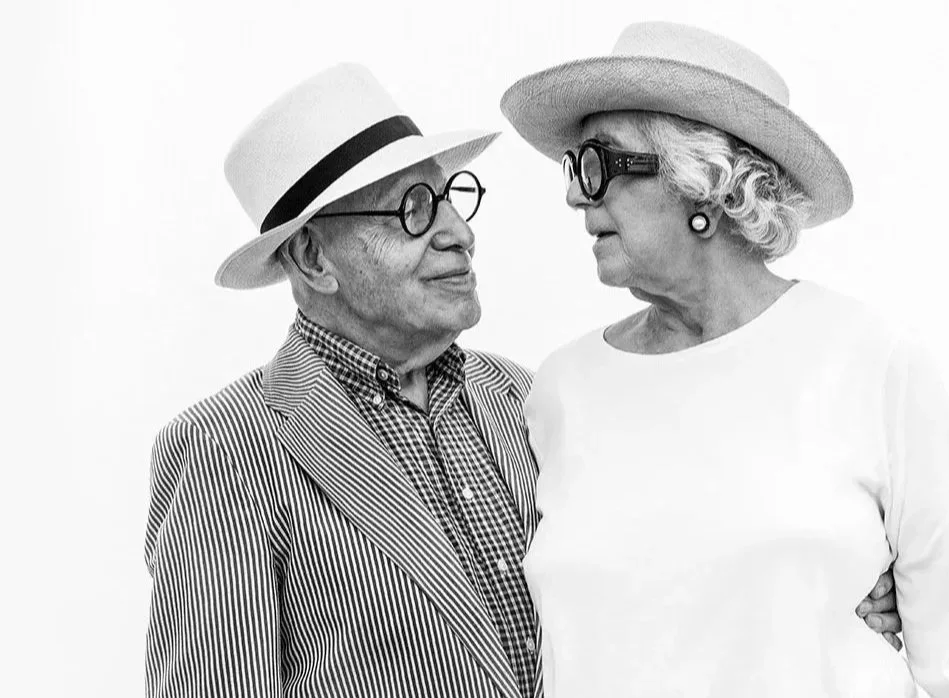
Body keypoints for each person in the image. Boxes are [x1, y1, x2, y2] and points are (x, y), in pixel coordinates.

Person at [144, 63, 903, 698]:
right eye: (412, 211)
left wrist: (838, 571)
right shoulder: (226, 450)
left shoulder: (530, 399)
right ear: (313, 259)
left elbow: (661, 560)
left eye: (450, 196)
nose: (457, 231)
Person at [502, 22, 949, 698]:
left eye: (602, 162)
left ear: (701, 183)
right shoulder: (562, 388)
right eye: (576, 164)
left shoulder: (866, 359)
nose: (575, 194)